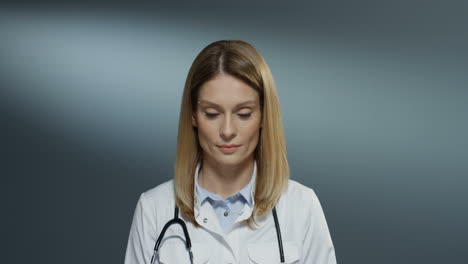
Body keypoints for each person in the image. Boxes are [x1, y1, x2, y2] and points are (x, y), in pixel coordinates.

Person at [124, 40, 337, 264]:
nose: (227, 131)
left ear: (264, 115)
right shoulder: (153, 209)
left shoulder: (301, 206)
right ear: (194, 115)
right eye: (212, 113)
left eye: (243, 114)